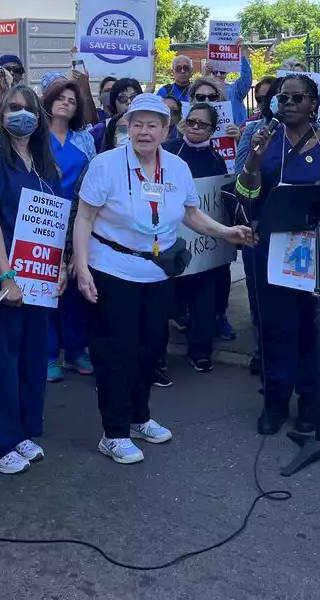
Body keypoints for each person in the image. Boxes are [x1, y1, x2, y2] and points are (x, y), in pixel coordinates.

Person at [71, 93, 251, 462]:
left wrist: (225, 232)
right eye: (137, 123)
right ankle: (114, 431)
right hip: (113, 268)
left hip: (157, 271)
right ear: (127, 126)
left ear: (167, 129)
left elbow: (191, 214)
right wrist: (83, 267)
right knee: (116, 352)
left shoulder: (176, 167)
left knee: (151, 347)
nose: (144, 131)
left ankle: (139, 416)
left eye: (153, 124)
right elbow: (84, 218)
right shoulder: (105, 165)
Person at [236, 75, 320, 433]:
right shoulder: (261, 140)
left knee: (317, 325)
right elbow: (245, 195)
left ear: (314, 103)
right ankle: (274, 400)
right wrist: (254, 164)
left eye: (296, 97)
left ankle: (310, 399)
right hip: (273, 247)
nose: (286, 103)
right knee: (276, 326)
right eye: (280, 98)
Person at [0, 84, 60, 475]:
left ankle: (24, 430)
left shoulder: (45, 164)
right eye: (13, 108)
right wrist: (5, 276)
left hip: (41, 280)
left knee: (31, 359)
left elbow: (54, 222)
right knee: (1, 363)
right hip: (8, 278)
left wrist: (57, 268)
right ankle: (0, 442)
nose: (20, 114)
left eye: (28, 108)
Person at [163, 101, 230, 372]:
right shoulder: (168, 151)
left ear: (212, 129)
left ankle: (200, 349)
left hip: (202, 241)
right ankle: (158, 356)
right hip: (171, 238)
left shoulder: (216, 159)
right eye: (191, 122)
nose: (195, 128)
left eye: (202, 124)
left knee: (204, 292)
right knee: (166, 295)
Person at [42, 77, 98, 380]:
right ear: (48, 99)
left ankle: (76, 350)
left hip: (78, 221)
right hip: (41, 222)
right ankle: (48, 354)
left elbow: (92, 183)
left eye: (72, 100)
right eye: (60, 97)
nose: (66, 102)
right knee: (47, 289)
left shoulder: (84, 139)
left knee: (77, 287)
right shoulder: (34, 136)